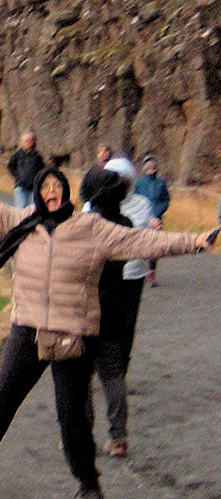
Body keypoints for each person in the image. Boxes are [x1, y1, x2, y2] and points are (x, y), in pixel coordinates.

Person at [0, 135, 214, 499]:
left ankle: (90, 488)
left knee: (72, 416)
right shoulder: (21, 224)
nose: (52, 193)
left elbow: (142, 242)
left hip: (73, 333)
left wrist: (195, 240)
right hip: (27, 330)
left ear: (68, 193)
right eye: (46, 188)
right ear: (38, 193)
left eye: (58, 188)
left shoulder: (90, 229)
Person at [93, 157, 156, 457]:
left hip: (116, 288)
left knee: (94, 367)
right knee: (108, 368)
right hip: (110, 293)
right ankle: (113, 436)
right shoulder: (120, 221)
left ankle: (104, 435)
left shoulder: (95, 218)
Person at [79, 166, 135, 460]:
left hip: (86, 307)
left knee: (82, 376)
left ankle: (81, 436)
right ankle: (118, 437)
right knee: (112, 375)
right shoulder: (125, 223)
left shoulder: (86, 224)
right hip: (115, 306)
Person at [134, 154, 170, 286]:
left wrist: (157, 213)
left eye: (152, 166)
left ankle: (151, 271)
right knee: (142, 246)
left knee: (156, 248)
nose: (150, 169)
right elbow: (135, 199)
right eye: (148, 166)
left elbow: (166, 200)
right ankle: (142, 270)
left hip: (157, 218)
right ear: (144, 168)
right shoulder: (139, 182)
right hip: (142, 219)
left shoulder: (161, 183)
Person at [7, 130, 45, 208]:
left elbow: (42, 170)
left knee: (33, 211)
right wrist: (17, 176)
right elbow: (10, 166)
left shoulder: (37, 156)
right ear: (22, 142)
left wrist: (39, 181)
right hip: (21, 187)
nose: (28, 142)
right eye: (26, 140)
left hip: (33, 188)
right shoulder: (17, 155)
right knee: (21, 210)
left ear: (33, 142)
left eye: (30, 140)